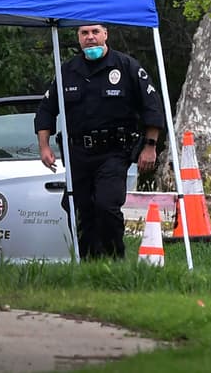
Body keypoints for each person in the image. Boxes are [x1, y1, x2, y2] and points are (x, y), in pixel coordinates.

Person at [35, 23, 165, 259]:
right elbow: (46, 110)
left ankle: (114, 259)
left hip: (114, 152)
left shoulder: (126, 67)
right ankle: (89, 263)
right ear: (78, 38)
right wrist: (44, 146)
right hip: (78, 154)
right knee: (79, 209)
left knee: (106, 205)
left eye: (95, 32)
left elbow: (152, 108)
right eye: (84, 33)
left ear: (106, 34)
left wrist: (150, 146)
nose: (90, 37)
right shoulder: (68, 71)